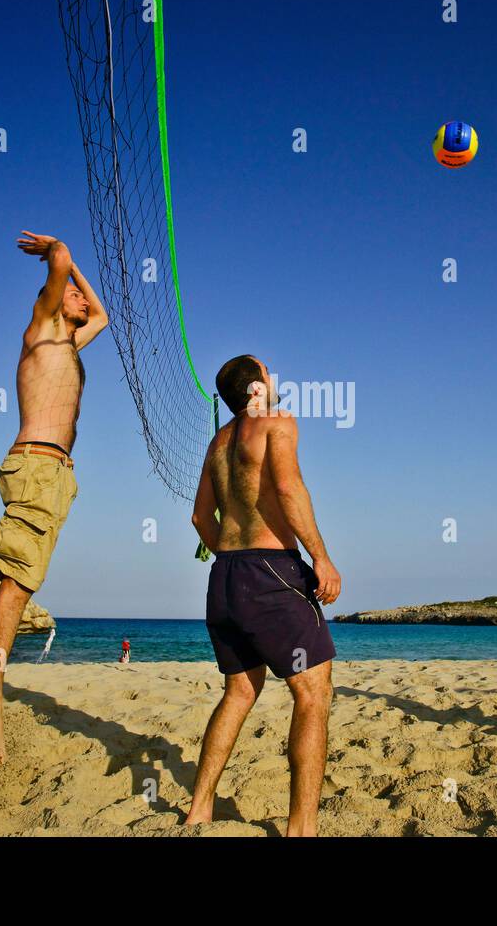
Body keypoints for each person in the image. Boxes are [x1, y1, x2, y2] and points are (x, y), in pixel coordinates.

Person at [0, 231, 109, 766]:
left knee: (22, 585)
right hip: (35, 463)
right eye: (72, 294)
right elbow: (62, 268)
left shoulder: (69, 341)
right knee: (16, 583)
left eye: (78, 295)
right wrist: (59, 252)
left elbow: (104, 317)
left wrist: (79, 280)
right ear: (52, 302)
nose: (80, 298)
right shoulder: (42, 328)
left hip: (57, 474)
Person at [184, 355, 341, 837]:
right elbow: (290, 489)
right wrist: (322, 558)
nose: (275, 379)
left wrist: (231, 555)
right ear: (256, 388)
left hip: (225, 577)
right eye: (269, 373)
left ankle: (199, 811)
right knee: (313, 694)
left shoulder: (218, 442)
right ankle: (302, 828)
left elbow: (199, 518)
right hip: (270, 572)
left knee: (239, 691)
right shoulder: (275, 421)